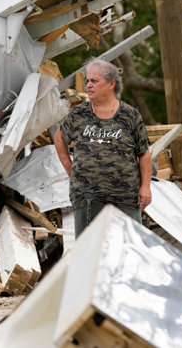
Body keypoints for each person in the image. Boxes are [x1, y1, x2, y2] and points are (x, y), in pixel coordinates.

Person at [54, 59, 152, 237]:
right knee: (89, 254)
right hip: (87, 199)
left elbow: (144, 154)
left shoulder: (130, 115)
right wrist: (71, 168)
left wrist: (146, 187)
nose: (89, 85)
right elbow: (59, 138)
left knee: (127, 251)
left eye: (94, 81)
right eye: (87, 81)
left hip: (125, 199)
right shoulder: (78, 114)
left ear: (111, 84)